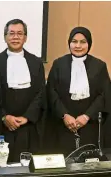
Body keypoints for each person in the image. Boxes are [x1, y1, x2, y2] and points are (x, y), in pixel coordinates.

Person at [47, 26, 110, 155]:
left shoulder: (99, 66)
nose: (78, 45)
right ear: (69, 43)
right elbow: (51, 92)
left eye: (83, 42)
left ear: (89, 44)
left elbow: (104, 95)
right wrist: (64, 115)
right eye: (74, 41)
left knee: (88, 161)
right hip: (63, 123)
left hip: (89, 123)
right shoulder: (59, 64)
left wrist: (87, 116)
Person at [0, 19, 45, 161]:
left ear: (25, 37)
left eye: (19, 34)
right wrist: (4, 116)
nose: (15, 37)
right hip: (2, 126)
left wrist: (27, 117)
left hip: (29, 126)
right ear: (5, 37)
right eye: (11, 33)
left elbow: (41, 93)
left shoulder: (36, 62)